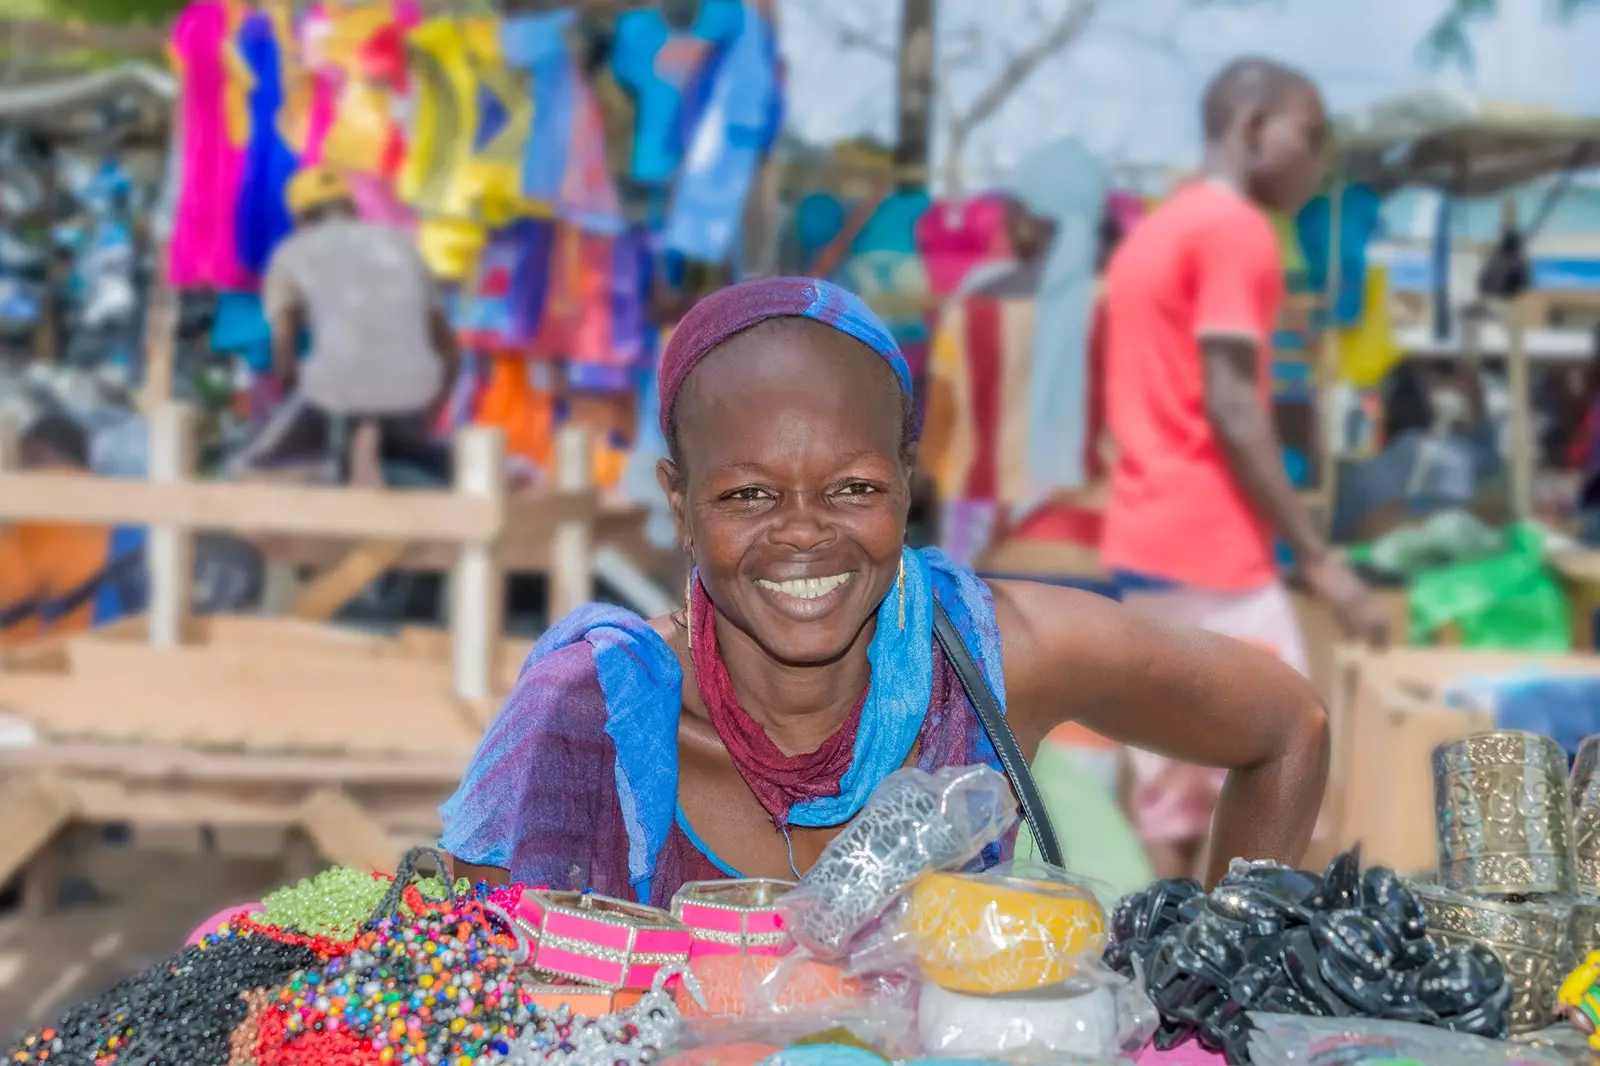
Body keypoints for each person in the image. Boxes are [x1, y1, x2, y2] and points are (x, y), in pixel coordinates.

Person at [441, 276, 1328, 904]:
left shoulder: (996, 662)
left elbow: (1288, 727)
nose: (801, 532)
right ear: (678, 500)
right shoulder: (591, 712)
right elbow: (464, 993)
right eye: (747, 495)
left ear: (907, 482)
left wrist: (1224, 978)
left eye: (853, 488)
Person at [1099, 58, 1389, 879]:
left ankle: (1171, 978)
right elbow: (1230, 404)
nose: (1317, 160)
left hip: (1149, 535)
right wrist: (1322, 560)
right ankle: (1250, 984)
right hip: (1215, 546)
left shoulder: (1156, 232)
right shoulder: (1234, 231)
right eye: (1311, 133)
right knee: (1288, 758)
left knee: (1172, 786)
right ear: (1253, 126)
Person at [228, 164, 459, 482]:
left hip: (337, 396)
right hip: (413, 394)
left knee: (249, 468)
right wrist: (428, 412)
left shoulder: (291, 252)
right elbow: (448, 349)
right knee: (405, 450)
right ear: (353, 209)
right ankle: (439, 464)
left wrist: (293, 419)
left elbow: (285, 354)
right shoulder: (401, 245)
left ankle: (333, 468)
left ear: (299, 221)